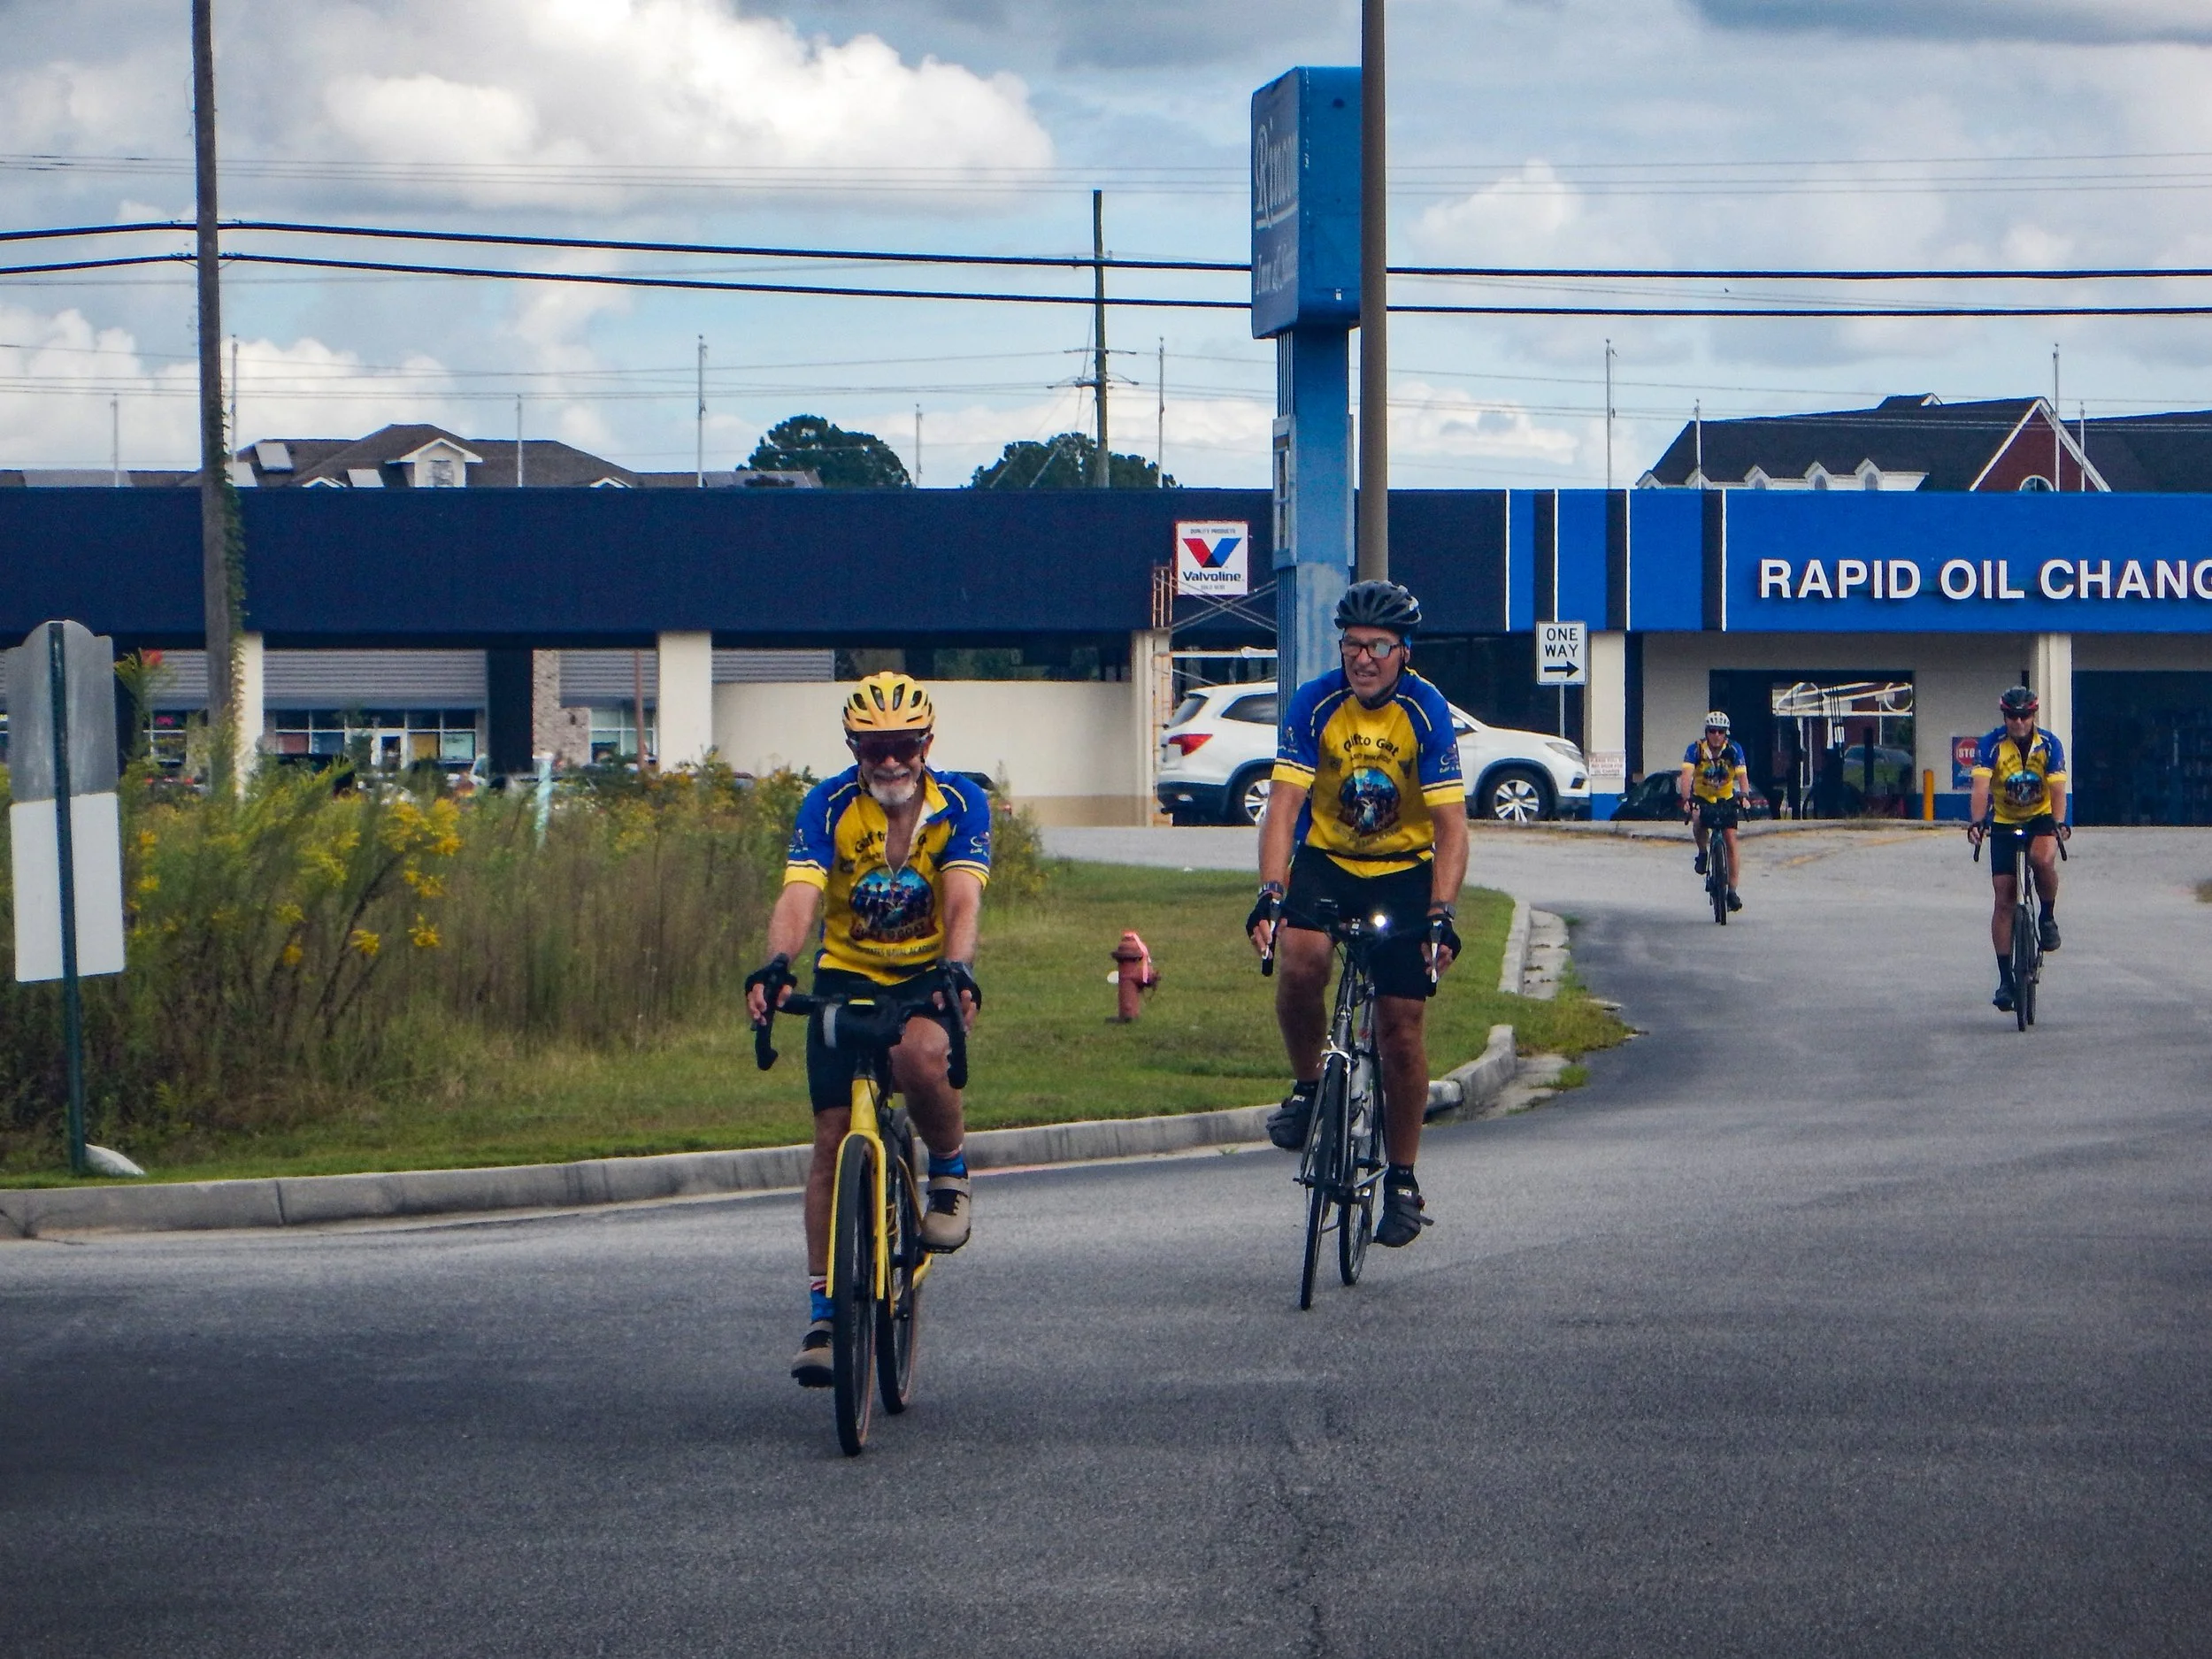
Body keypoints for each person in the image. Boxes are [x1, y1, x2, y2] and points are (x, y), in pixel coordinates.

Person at [743, 672, 989, 1387]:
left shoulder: (960, 803)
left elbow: (964, 895)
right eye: (874, 747)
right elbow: (801, 893)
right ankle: (824, 1312)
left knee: (920, 1055)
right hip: (848, 975)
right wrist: (777, 962)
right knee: (828, 1138)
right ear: (853, 746)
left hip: (924, 973)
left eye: (903, 745)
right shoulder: (826, 805)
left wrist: (958, 969)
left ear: (927, 743)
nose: (889, 761)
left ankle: (947, 1170)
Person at [1246, 580, 1468, 1249]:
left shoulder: (1425, 712)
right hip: (1330, 862)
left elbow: (1452, 827)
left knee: (1400, 1030)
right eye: (1350, 645)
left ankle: (1401, 1178)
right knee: (1301, 959)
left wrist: (1441, 912)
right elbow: (1283, 806)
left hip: (1403, 872)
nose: (1362, 658)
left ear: (1404, 652)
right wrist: (1270, 891)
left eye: (1376, 646)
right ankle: (1311, 1087)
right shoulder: (1316, 703)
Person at [1966, 684, 2069, 1012]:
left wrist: (2058, 822)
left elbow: (2057, 791)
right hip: (2005, 820)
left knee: (2042, 859)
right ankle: (2005, 980)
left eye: (2024, 716)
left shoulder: (2050, 744)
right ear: (2005, 717)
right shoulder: (1991, 745)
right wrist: (1978, 822)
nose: (2019, 722)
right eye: (2012, 716)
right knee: (2003, 897)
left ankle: (2048, 918)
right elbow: (1981, 787)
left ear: (2033, 715)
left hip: (2040, 817)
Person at [1679, 711, 1748, 913]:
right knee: (1697, 818)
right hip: (1702, 796)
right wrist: (1687, 799)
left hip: (1726, 798)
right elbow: (1686, 776)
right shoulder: (1695, 749)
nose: (1716, 735)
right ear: (1706, 732)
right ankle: (1702, 853)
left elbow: (1743, 776)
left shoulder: (1734, 749)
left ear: (1726, 733)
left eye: (1720, 731)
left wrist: (1744, 795)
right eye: (1712, 731)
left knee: (1731, 840)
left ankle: (1732, 892)